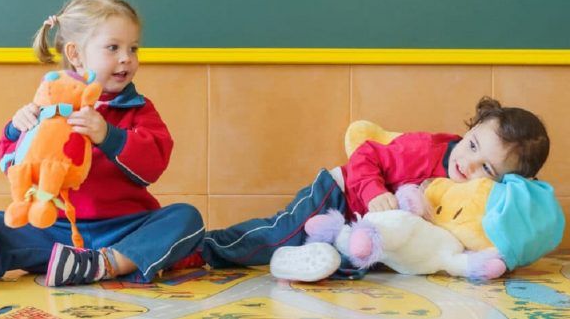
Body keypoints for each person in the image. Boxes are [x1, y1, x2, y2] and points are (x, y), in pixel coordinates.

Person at [0, 0, 204, 292]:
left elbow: (153, 165)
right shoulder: (49, 109)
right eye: (113, 48)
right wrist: (15, 130)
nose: (126, 59)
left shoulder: (139, 109)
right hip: (55, 229)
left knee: (185, 217)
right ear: (76, 54)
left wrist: (109, 136)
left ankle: (105, 265)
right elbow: (16, 164)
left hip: (123, 230)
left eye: (133, 48)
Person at [173, 96, 551, 280]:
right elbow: (366, 155)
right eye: (472, 145)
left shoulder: (480, 199)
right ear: (470, 129)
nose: (466, 164)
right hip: (339, 194)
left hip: (358, 233)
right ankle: (202, 248)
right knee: (278, 232)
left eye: (486, 167)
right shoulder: (428, 150)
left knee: (350, 267)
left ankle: (303, 260)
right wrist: (373, 193)